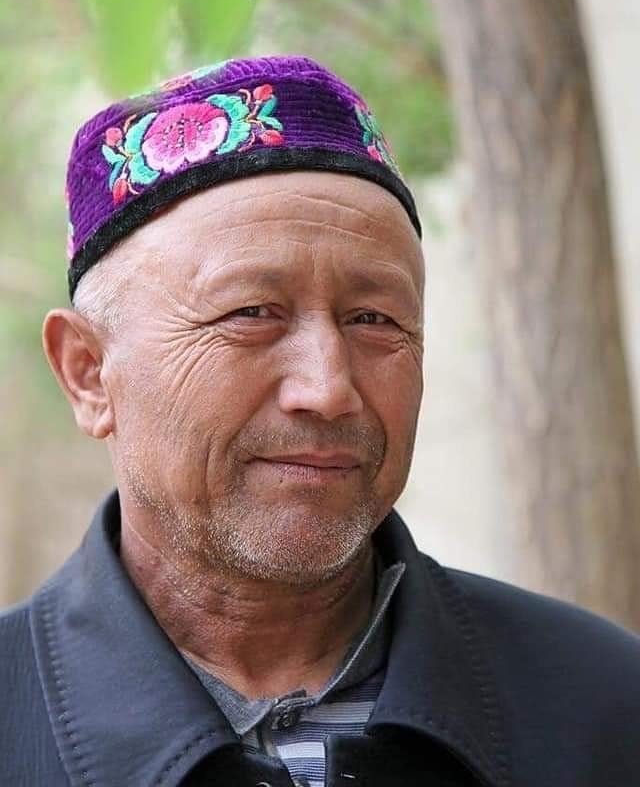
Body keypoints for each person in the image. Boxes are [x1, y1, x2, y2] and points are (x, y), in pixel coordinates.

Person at [1, 55, 639, 787]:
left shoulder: (603, 707)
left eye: (374, 319)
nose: (328, 389)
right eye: (252, 313)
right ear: (88, 373)